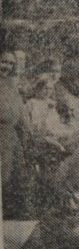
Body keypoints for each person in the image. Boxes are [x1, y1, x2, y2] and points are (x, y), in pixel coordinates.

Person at [0, 51, 28, 218]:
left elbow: (20, 113)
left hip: (12, 137)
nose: (7, 66)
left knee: (14, 179)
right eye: (3, 62)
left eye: (10, 63)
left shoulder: (10, 85)